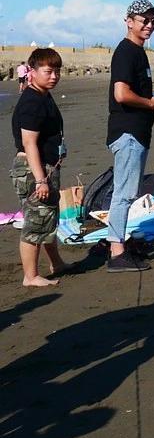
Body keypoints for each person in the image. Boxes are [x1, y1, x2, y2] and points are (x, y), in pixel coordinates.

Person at [106, 0, 154, 272]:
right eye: (144, 20)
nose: (150, 24)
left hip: (137, 132)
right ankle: (116, 251)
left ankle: (118, 243)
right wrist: (150, 103)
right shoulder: (126, 51)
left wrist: (153, 101)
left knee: (127, 192)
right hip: (128, 132)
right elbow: (121, 94)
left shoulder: (138, 52)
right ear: (129, 21)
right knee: (124, 193)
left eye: (153, 20)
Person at [10, 48, 70, 287]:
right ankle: (30, 276)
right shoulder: (33, 101)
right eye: (48, 71)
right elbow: (29, 143)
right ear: (32, 72)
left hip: (46, 166)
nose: (54, 76)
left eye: (57, 71)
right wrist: (40, 179)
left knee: (48, 218)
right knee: (35, 221)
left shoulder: (43, 95)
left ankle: (56, 263)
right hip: (33, 168)